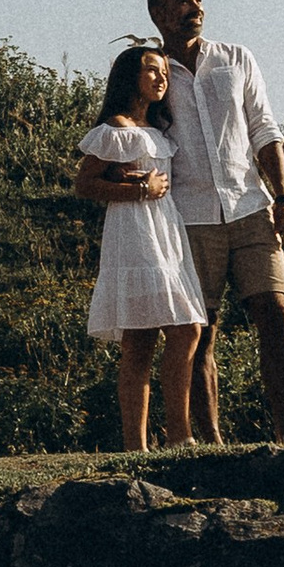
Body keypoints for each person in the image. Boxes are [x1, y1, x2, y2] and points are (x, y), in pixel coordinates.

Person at [145, 0, 284, 443]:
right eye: (183, 2)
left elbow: (265, 130)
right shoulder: (151, 71)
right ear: (159, 14)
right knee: (201, 331)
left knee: (275, 312)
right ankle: (211, 442)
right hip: (188, 216)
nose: (196, 8)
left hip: (251, 205)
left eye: (198, 0)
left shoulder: (236, 59)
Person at [73, 43, 206, 452]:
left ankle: (177, 433)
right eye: (151, 70)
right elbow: (84, 185)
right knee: (143, 338)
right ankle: (142, 444)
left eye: (164, 71)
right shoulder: (114, 129)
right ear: (130, 77)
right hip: (134, 232)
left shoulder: (157, 132)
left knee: (186, 329)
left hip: (166, 231)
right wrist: (138, 190)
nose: (161, 78)